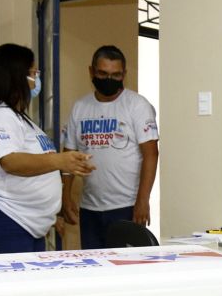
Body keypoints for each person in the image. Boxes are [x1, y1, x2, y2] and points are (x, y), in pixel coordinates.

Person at [0, 43, 95, 255]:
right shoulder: (0, 116)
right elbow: (10, 162)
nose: (37, 78)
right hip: (2, 217)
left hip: (23, 222)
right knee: (11, 287)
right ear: (16, 76)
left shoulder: (18, 117)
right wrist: (60, 161)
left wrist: (48, 213)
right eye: (33, 72)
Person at [62, 45, 159, 249]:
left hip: (126, 206)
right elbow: (68, 156)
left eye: (116, 75)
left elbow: (151, 154)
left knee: (127, 270)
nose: (109, 80)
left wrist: (143, 200)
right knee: (94, 269)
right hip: (90, 208)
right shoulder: (80, 107)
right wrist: (65, 197)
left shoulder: (137, 105)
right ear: (91, 72)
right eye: (103, 73)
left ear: (124, 74)